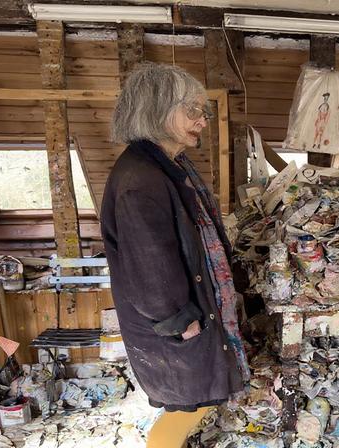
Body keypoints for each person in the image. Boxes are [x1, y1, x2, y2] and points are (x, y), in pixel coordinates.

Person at [101, 62, 249, 447]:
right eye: (192, 111)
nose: (202, 120)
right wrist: (179, 320)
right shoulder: (141, 180)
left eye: (204, 111)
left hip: (186, 317)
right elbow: (150, 263)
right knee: (186, 405)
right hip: (176, 326)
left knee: (191, 403)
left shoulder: (166, 166)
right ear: (156, 110)